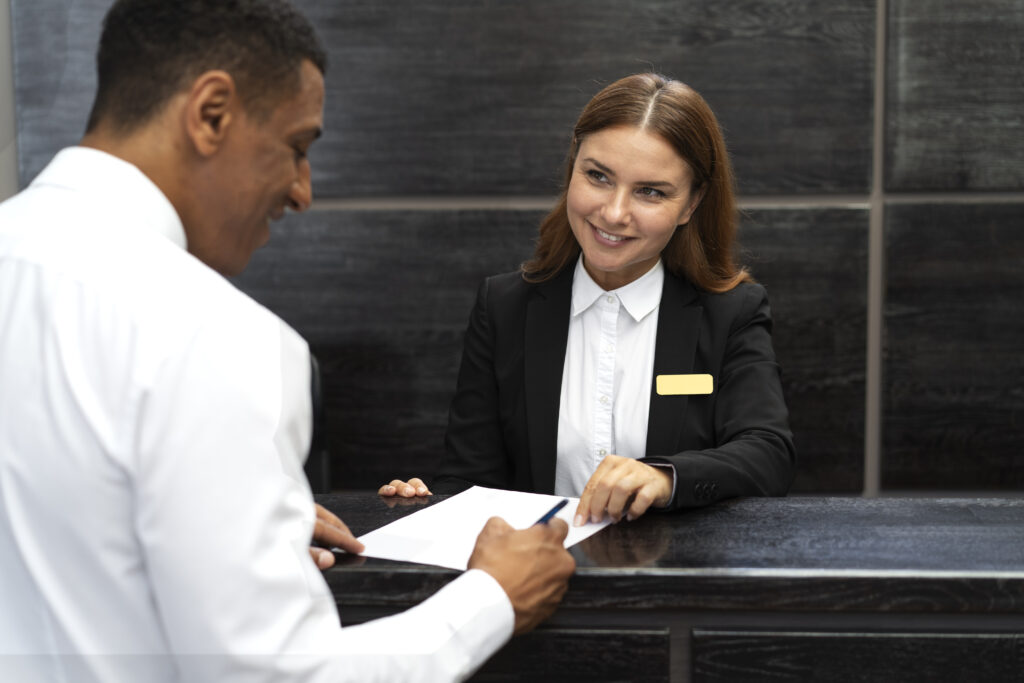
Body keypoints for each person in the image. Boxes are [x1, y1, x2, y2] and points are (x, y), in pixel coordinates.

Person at [0, 2, 574, 681]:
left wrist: (224, 529)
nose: (302, 191)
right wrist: (492, 598)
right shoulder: (217, 336)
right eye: (297, 147)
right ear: (211, 112)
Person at [382, 73, 796, 526]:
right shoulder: (503, 307)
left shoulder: (732, 311)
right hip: (537, 580)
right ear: (572, 167)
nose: (614, 213)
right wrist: (426, 501)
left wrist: (665, 477)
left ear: (691, 204)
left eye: (650, 191)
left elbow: (767, 455)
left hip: (674, 580)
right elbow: (472, 480)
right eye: (598, 176)